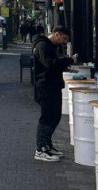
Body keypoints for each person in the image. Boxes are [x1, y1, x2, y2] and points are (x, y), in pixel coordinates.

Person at [32, 25, 77, 161]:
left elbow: (52, 65)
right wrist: (70, 60)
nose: (64, 42)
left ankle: (47, 145)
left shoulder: (48, 46)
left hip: (51, 85)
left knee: (54, 116)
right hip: (46, 87)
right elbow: (50, 64)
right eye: (64, 38)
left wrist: (65, 67)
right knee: (48, 117)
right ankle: (41, 149)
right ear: (57, 34)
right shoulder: (43, 46)